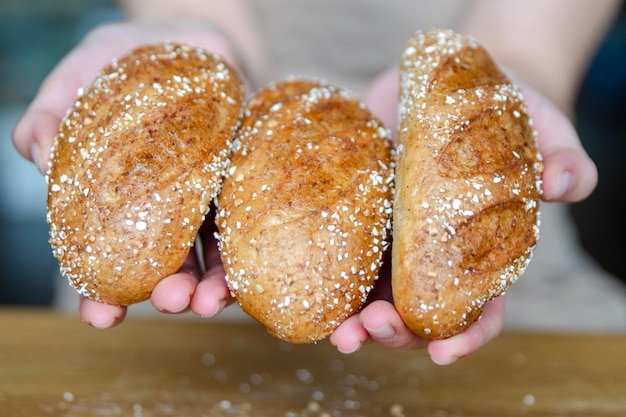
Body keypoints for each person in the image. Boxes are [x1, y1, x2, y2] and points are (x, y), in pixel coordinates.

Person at [12, 0, 619, 365]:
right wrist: (189, 23)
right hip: (186, 277)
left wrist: (516, 70)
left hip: (517, 262)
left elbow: (527, 41)